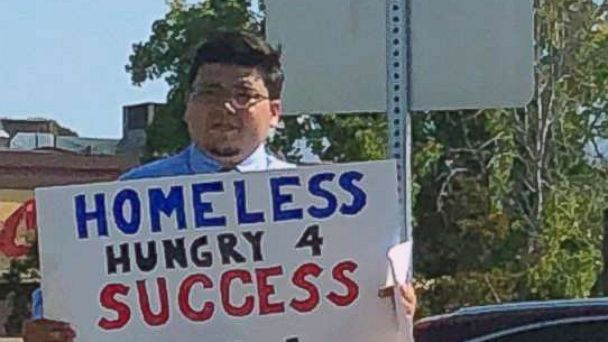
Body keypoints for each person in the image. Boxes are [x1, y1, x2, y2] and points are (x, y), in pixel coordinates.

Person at [23, 31, 416, 341]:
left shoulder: (326, 207)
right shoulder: (127, 200)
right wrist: (45, 330)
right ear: (186, 105)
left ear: (275, 113)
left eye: (244, 95)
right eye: (209, 92)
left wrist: (394, 314)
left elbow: (368, 320)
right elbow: (62, 310)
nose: (225, 107)